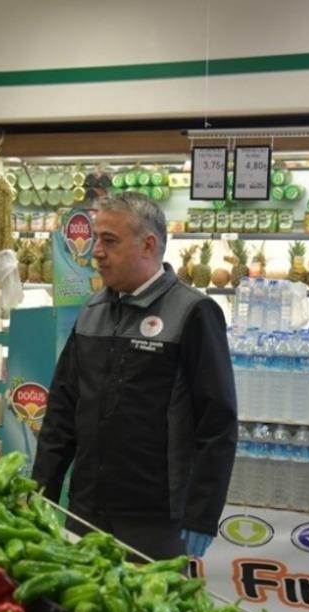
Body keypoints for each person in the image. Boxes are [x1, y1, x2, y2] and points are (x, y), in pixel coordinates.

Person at [32, 193, 237, 559]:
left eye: (109, 241)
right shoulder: (92, 310)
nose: (96, 251)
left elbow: (217, 423)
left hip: (155, 517)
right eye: (96, 239)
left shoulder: (193, 312)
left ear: (148, 245)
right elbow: (62, 409)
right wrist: (41, 488)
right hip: (85, 510)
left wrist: (202, 514)